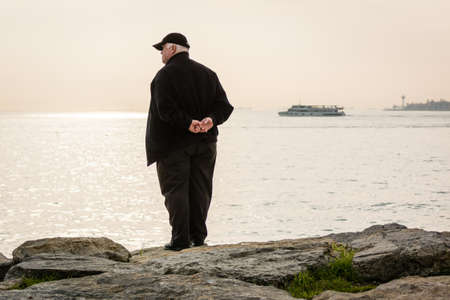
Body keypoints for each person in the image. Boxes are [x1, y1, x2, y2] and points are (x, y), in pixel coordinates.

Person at [145, 33, 233, 251]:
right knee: (201, 189)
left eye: (162, 49)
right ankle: (198, 237)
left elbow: (164, 110)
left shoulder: (164, 76)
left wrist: (188, 123)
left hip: (173, 145)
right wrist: (210, 120)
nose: (161, 54)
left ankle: (180, 240)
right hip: (205, 142)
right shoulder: (208, 73)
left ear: (173, 49)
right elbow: (224, 106)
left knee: (175, 190)